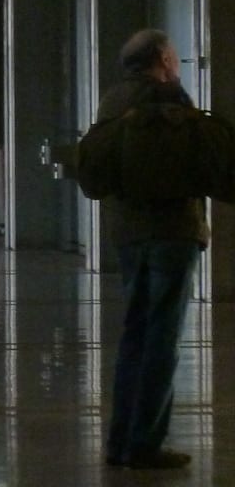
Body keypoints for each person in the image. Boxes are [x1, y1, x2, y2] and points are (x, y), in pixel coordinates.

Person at [100, 29, 206, 470]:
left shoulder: (112, 102)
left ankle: (120, 440)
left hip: (128, 232)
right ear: (162, 58)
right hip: (170, 232)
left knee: (135, 335)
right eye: (175, 56)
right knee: (163, 338)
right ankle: (145, 443)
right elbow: (194, 161)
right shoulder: (170, 99)